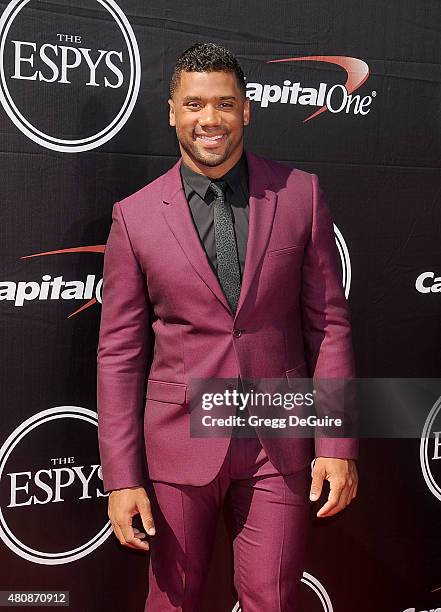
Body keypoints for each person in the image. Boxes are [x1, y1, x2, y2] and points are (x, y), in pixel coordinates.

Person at [97, 42, 358, 612]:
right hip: (179, 441)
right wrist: (121, 478)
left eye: (223, 104)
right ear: (172, 111)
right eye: (194, 104)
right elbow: (118, 354)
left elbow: (329, 327)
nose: (208, 119)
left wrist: (336, 442)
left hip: (278, 441)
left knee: (273, 598)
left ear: (246, 109)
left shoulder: (301, 194)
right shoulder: (134, 216)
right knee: (174, 601)